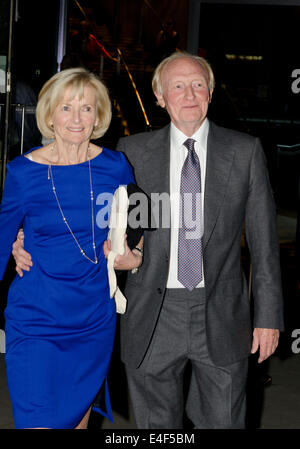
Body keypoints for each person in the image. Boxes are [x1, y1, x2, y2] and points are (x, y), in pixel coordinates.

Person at [13, 52, 284, 429]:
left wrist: (268, 318)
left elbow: (264, 245)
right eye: (177, 86)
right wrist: (25, 237)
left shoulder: (244, 151)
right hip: (153, 315)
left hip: (222, 314)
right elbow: (93, 217)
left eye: (197, 84)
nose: (189, 94)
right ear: (159, 96)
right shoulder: (132, 153)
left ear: (210, 92)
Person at [0, 67, 142, 429]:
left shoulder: (115, 167)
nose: (77, 119)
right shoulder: (22, 172)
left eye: (87, 108)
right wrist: (17, 245)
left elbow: (139, 223)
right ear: (49, 114)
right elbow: (3, 239)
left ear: (99, 116)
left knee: (77, 423)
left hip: (92, 319)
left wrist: (134, 255)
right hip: (36, 317)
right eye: (66, 108)